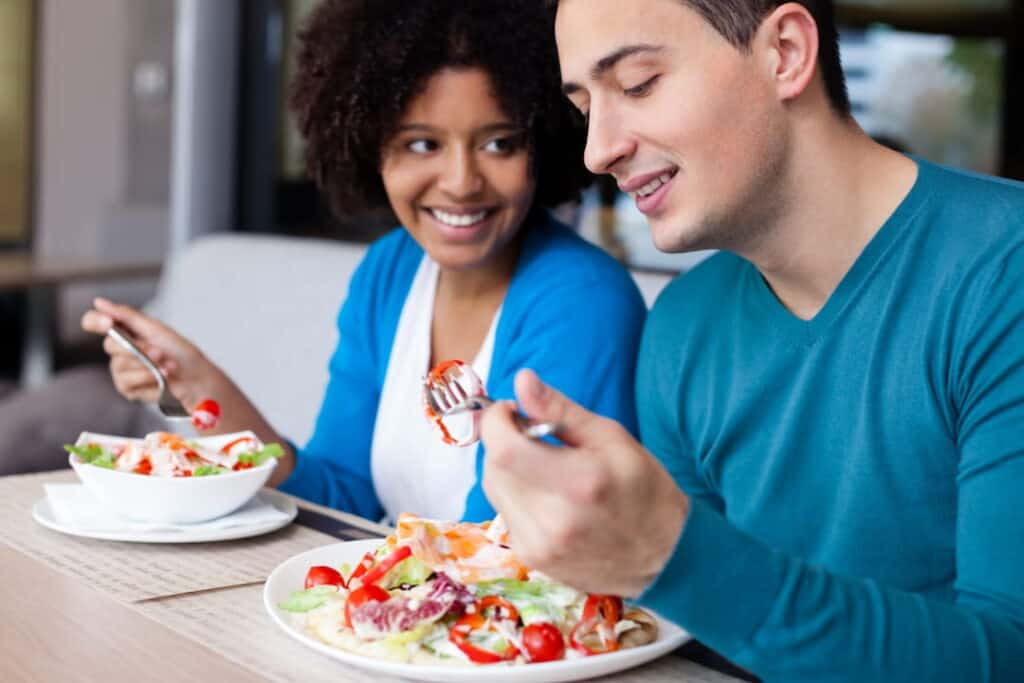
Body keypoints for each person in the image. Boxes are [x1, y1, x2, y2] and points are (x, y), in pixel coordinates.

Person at [480, 1, 1024, 681]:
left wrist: (671, 555)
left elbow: (1010, 655)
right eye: (586, 105)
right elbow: (702, 645)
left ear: (786, 53)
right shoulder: (682, 327)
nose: (598, 149)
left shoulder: (1006, 273)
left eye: (639, 83)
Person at [82, 0, 646, 524]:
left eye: (499, 143)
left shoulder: (581, 301)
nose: (460, 183)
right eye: (422, 144)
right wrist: (198, 382)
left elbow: (510, 545)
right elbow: (338, 498)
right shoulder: (390, 272)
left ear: (543, 145)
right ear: (369, 148)